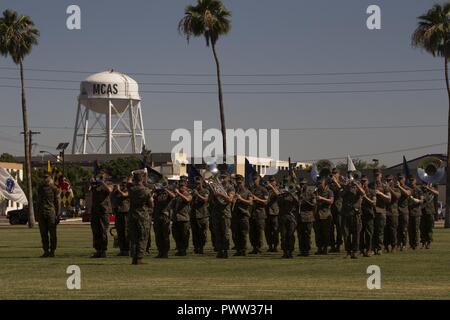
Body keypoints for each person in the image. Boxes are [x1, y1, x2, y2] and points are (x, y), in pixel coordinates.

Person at [128, 171, 153, 265]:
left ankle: (134, 258)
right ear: (142, 179)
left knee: (134, 237)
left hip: (132, 215)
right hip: (142, 216)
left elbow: (128, 182)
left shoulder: (131, 188)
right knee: (143, 237)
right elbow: (151, 204)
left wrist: (131, 174)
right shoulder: (146, 190)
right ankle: (139, 258)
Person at [210, 173, 235, 259]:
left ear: (228, 178)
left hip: (225, 213)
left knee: (225, 233)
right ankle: (219, 250)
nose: (222, 179)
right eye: (221, 177)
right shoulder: (217, 187)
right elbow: (210, 200)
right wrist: (213, 192)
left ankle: (225, 251)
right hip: (216, 213)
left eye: (224, 177)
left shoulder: (230, 187)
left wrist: (220, 194)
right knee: (217, 233)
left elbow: (230, 199)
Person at [90, 171, 113, 258]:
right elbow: (89, 190)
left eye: (102, 175)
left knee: (103, 231)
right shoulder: (95, 185)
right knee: (95, 231)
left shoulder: (108, 184)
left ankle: (103, 250)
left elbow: (109, 190)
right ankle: (98, 250)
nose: (100, 177)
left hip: (104, 211)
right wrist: (91, 182)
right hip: (95, 211)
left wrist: (102, 182)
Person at [37, 174, 61, 258]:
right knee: (43, 233)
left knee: (52, 234)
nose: (45, 179)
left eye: (47, 177)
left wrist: (58, 214)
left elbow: (58, 202)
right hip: (41, 213)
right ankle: (46, 251)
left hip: (51, 213)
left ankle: (52, 251)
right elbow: (38, 201)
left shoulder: (54, 189)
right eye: (44, 177)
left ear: (51, 179)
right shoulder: (40, 188)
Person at [341, 178, 364, 259]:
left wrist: (356, 185)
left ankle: (355, 251)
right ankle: (348, 251)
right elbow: (341, 194)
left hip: (355, 215)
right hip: (346, 215)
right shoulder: (345, 189)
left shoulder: (358, 190)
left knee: (356, 234)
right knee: (346, 234)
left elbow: (363, 193)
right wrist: (347, 186)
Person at [232, 175, 253, 256]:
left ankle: (243, 250)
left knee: (243, 234)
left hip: (243, 216)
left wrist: (241, 199)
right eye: (237, 182)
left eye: (240, 182)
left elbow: (250, 202)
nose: (238, 184)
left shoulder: (248, 192)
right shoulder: (235, 191)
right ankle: (238, 250)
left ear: (243, 182)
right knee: (235, 234)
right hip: (235, 215)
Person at [153, 180, 175, 258]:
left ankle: (165, 252)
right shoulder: (156, 194)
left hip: (165, 216)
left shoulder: (167, 193)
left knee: (165, 235)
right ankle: (160, 251)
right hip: (156, 216)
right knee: (158, 235)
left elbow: (173, 196)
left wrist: (165, 189)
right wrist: (154, 190)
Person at [371, 171, 391, 255]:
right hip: (372, 211)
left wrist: (381, 193)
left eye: (378, 175)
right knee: (372, 231)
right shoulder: (370, 185)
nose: (376, 177)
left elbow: (389, 198)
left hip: (381, 210)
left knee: (380, 231)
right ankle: (372, 248)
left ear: (381, 176)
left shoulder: (385, 186)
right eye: (375, 176)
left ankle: (379, 248)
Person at [313, 177, 334, 255]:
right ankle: (319, 248)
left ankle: (326, 248)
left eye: (320, 183)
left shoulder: (329, 192)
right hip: (317, 215)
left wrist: (322, 198)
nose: (319, 185)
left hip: (326, 215)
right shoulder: (316, 192)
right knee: (318, 233)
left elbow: (331, 201)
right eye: (318, 183)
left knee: (326, 233)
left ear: (324, 184)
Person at [278, 182, 299, 258]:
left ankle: (290, 252)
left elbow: (297, 202)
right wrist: (283, 195)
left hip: (291, 218)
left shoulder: (294, 195)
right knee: (283, 236)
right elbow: (279, 203)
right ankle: (285, 252)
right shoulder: (281, 196)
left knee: (290, 235)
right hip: (283, 217)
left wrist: (291, 194)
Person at [249, 174, 269, 254]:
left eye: (255, 179)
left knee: (259, 231)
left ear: (259, 179)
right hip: (251, 213)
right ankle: (254, 247)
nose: (254, 180)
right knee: (252, 232)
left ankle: (259, 247)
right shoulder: (250, 189)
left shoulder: (263, 189)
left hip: (260, 213)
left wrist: (257, 199)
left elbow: (266, 201)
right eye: (253, 179)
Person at [171, 181, 192, 256]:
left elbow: (187, 200)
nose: (181, 188)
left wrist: (179, 194)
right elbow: (171, 205)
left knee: (184, 235)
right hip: (176, 218)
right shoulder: (176, 196)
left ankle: (183, 250)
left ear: (186, 187)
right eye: (180, 186)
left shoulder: (188, 194)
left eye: (183, 186)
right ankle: (179, 249)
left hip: (184, 219)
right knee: (176, 235)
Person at [111, 178, 130, 256]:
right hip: (118, 213)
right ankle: (122, 250)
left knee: (126, 232)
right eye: (122, 183)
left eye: (124, 183)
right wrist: (114, 190)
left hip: (125, 213)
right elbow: (111, 197)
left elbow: (124, 195)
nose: (123, 185)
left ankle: (127, 249)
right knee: (120, 232)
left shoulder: (128, 190)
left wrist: (118, 190)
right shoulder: (117, 191)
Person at [190, 176, 210, 254]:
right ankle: (196, 247)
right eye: (196, 183)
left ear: (202, 183)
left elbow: (205, 200)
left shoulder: (205, 191)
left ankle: (201, 247)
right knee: (194, 233)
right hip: (194, 215)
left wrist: (197, 194)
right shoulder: (193, 191)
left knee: (202, 233)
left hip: (202, 215)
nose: (197, 184)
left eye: (198, 183)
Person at [298, 178, 315, 257]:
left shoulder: (311, 193)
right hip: (299, 217)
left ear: (306, 184)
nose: (302, 185)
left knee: (307, 234)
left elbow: (313, 204)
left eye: (303, 184)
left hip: (308, 216)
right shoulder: (298, 192)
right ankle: (302, 250)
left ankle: (307, 250)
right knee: (300, 235)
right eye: (301, 184)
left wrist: (304, 200)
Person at [329, 168, 344, 253]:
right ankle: (332, 245)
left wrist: (336, 182)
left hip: (339, 209)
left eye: (335, 173)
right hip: (331, 209)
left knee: (339, 228)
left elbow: (342, 191)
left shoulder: (341, 183)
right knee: (330, 229)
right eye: (333, 173)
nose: (334, 174)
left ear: (339, 174)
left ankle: (338, 245)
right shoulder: (330, 185)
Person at [360, 176, 376, 257]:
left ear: (368, 182)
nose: (363, 183)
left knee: (369, 233)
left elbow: (374, 202)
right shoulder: (358, 191)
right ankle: (361, 249)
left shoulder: (372, 191)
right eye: (362, 181)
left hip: (369, 214)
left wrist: (365, 196)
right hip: (360, 214)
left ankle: (369, 249)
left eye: (365, 181)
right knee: (360, 232)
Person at [384, 175, 400, 253]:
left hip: (393, 213)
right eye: (387, 180)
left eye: (390, 180)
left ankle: (394, 246)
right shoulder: (384, 189)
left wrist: (389, 188)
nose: (389, 181)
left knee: (393, 230)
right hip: (385, 212)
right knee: (385, 230)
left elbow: (396, 196)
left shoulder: (397, 189)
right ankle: (386, 246)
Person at [421, 182, 439, 249]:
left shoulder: (432, 190)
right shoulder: (421, 190)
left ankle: (428, 242)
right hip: (423, 212)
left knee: (429, 228)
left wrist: (429, 188)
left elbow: (437, 193)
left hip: (430, 212)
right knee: (422, 228)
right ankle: (423, 242)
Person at [396, 174, 411, 251]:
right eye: (399, 179)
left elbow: (408, 193)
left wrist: (399, 187)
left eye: (402, 179)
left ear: (404, 179)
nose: (400, 180)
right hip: (396, 211)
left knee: (404, 229)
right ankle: (398, 244)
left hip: (404, 211)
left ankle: (404, 244)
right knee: (397, 229)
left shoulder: (407, 188)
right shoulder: (395, 188)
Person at [265, 177, 280, 252]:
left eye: (272, 181)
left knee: (275, 230)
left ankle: (275, 246)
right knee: (267, 231)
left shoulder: (277, 189)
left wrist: (272, 187)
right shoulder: (266, 190)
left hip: (275, 213)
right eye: (270, 181)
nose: (271, 182)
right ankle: (270, 246)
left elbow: (278, 194)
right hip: (267, 212)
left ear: (275, 182)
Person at [408, 177, 424, 250]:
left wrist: (415, 200)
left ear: (415, 181)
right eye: (410, 180)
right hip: (409, 212)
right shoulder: (408, 189)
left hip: (416, 212)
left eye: (412, 180)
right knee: (410, 229)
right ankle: (411, 244)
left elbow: (421, 201)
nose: (411, 182)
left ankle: (416, 244)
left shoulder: (419, 190)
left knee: (416, 229)